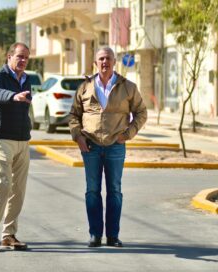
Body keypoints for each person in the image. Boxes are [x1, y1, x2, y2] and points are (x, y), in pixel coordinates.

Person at [69, 47, 147, 247]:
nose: (105, 62)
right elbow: (74, 115)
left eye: (108, 59)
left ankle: (112, 236)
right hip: (91, 146)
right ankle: (95, 234)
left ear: (114, 62)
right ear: (96, 63)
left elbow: (141, 112)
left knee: (114, 190)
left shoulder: (128, 86)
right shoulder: (85, 87)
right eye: (101, 59)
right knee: (92, 191)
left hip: (115, 146)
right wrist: (78, 136)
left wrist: (128, 134)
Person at [0, 42, 33, 252]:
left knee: (18, 190)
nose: (22, 61)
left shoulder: (26, 79)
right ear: (9, 57)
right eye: (19, 56)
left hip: (22, 139)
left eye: (26, 58)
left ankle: (9, 235)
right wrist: (13, 96)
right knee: (3, 184)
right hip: (0, 139)